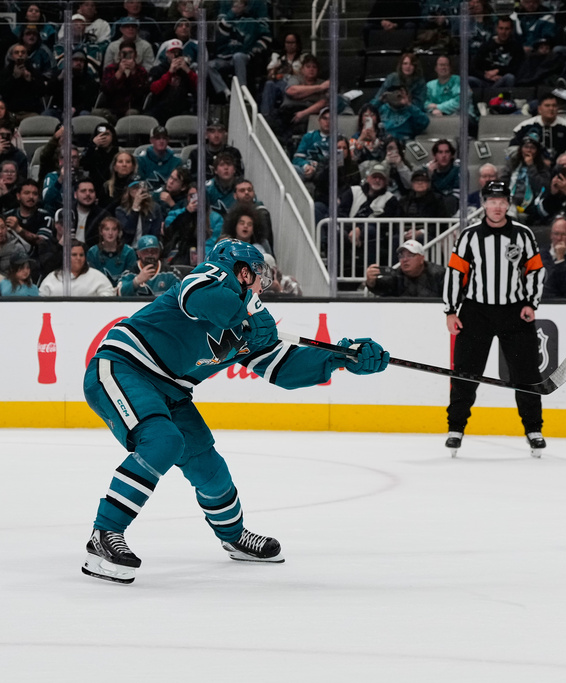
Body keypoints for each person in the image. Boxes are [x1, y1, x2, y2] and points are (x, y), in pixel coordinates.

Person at [80, 239, 389, 583]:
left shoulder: (250, 321)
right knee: (161, 441)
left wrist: (339, 358)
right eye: (258, 277)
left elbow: (283, 369)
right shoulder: (210, 276)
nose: (262, 286)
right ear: (243, 271)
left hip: (172, 390)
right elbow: (203, 298)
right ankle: (103, 534)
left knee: (209, 468)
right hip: (123, 367)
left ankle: (233, 537)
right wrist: (250, 312)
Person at [442, 181, 546, 456]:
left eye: (501, 201)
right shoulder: (469, 236)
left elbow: (535, 270)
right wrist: (451, 310)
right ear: (484, 203)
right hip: (476, 312)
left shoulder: (523, 234)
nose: (497, 206)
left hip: (515, 312)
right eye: (491, 200)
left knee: (527, 374)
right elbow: (455, 273)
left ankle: (534, 429)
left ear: (508, 203)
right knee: (465, 372)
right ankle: (456, 428)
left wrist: (531, 303)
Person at [508, 93, 566, 161]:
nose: (551, 109)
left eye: (554, 106)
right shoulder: (524, 127)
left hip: (560, 167)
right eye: (547, 106)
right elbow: (512, 150)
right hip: (531, 166)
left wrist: (560, 160)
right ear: (539, 109)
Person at [365, 238, 445, 298]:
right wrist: (371, 282)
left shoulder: (439, 274)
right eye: (401, 256)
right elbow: (382, 287)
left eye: (410, 255)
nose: (405, 259)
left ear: (421, 259)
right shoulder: (397, 275)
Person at [39, 238, 114, 296]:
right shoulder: (52, 278)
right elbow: (40, 301)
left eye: (81, 255)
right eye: (74, 255)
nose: (78, 258)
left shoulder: (97, 277)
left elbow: (108, 297)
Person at [116, 234, 180, 296]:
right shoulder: (130, 273)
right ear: (138, 253)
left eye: (154, 251)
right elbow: (119, 292)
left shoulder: (171, 273)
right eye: (145, 251)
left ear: (159, 252)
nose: (150, 254)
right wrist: (136, 281)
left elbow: (183, 291)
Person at [539, 216, 566, 299]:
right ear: (551, 236)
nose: (559, 238)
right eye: (556, 234)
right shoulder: (540, 255)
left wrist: (560, 259)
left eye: (563, 234)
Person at [87, 216, 137, 284]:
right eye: (106, 229)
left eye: (114, 229)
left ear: (118, 232)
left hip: (123, 291)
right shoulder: (92, 252)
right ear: (101, 232)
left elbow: (131, 278)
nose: (110, 233)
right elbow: (91, 279)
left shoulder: (129, 252)